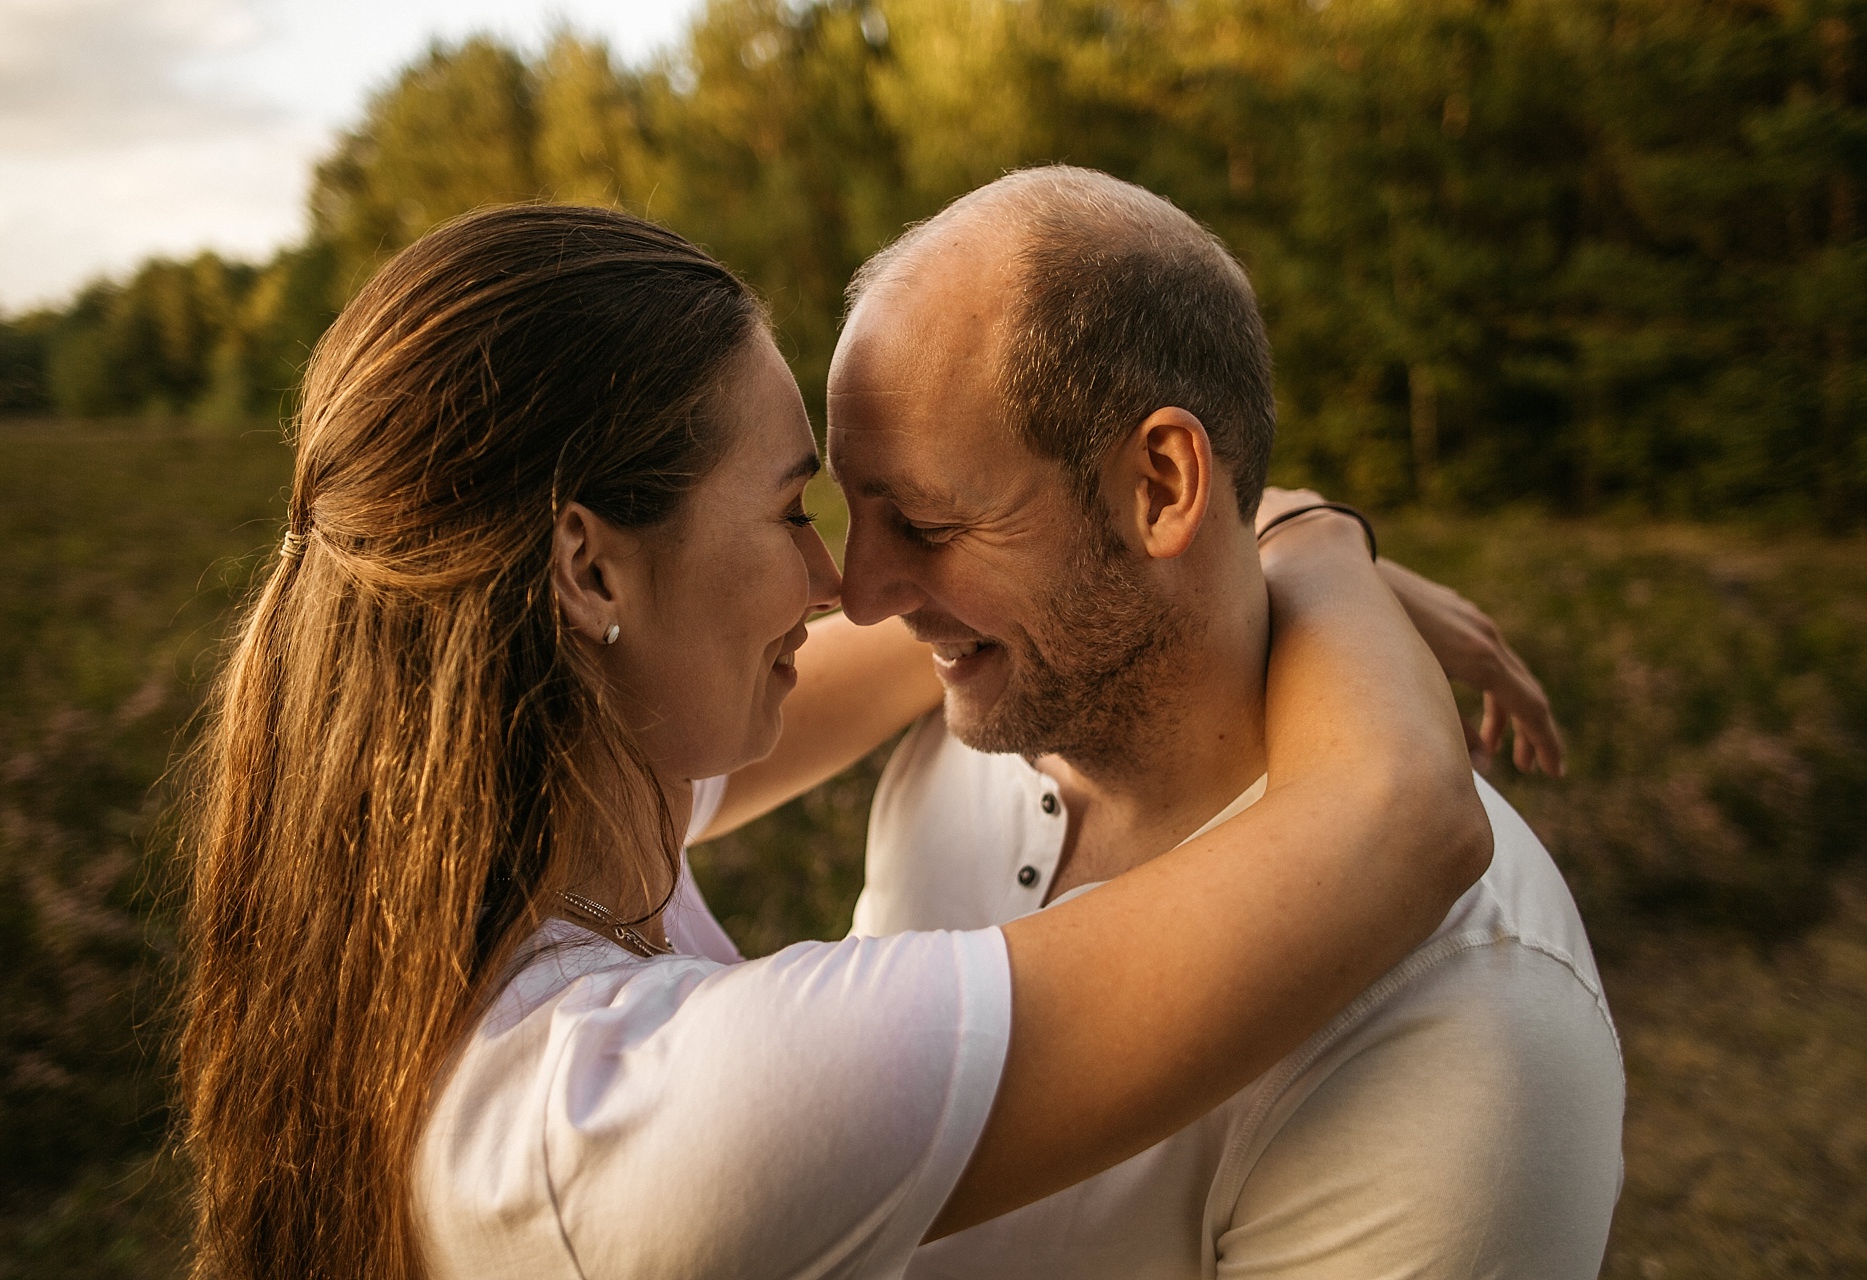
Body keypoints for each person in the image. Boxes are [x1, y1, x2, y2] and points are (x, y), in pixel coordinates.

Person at [177, 202, 1492, 1280]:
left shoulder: (466, 845)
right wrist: (1310, 540)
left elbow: (984, 617)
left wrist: (1214, 541)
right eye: (788, 510)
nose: (839, 584)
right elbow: (1399, 820)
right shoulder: (646, 1116)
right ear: (588, 574)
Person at [787, 166, 1618, 1278]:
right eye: (854, 514)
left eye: (927, 524)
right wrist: (1308, 531)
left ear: (1166, 485)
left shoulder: (1467, 1028)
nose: (861, 595)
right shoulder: (975, 704)